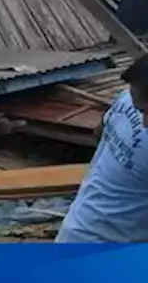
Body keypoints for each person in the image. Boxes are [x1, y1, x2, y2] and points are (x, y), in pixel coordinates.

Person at [58, 54, 148, 242]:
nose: (145, 124)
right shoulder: (128, 99)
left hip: (77, 229)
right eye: (140, 110)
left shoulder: (125, 100)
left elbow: (99, 132)